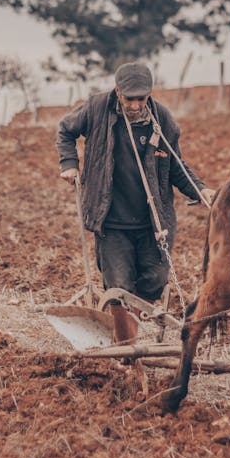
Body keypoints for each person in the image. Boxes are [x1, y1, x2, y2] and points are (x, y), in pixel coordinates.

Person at [56, 61, 215, 345]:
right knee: (118, 288)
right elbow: (65, 130)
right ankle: (125, 349)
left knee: (154, 280)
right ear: (118, 92)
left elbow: (176, 165)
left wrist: (200, 190)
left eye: (141, 99)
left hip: (153, 223)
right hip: (111, 221)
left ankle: (128, 327)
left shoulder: (162, 120)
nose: (135, 105)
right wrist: (70, 163)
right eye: (129, 99)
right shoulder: (96, 108)